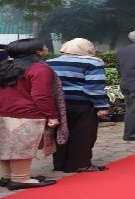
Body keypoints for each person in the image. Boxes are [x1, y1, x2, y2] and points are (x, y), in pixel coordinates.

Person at [0, 38, 64, 190]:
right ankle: (20, 179)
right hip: (27, 114)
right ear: (38, 51)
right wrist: (52, 115)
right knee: (21, 148)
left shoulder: (3, 66)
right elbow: (42, 96)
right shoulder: (40, 69)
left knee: (4, 146)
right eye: (44, 46)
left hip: (2, 113)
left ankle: (8, 176)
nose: (46, 47)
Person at [47, 38, 110, 172]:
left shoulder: (50, 62)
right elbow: (94, 87)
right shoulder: (92, 63)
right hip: (82, 103)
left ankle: (60, 163)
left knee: (61, 133)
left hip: (57, 104)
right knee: (83, 134)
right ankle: (80, 163)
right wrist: (102, 106)